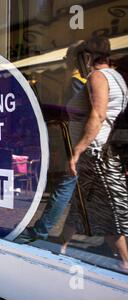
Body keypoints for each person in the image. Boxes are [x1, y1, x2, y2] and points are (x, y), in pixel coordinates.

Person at [61, 37, 128, 272]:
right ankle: (61, 246)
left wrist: (77, 151)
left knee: (106, 211)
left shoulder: (98, 77)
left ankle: (126, 262)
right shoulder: (117, 77)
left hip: (95, 152)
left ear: (88, 57)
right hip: (101, 152)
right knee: (81, 205)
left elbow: (98, 115)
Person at [20, 41, 86, 241]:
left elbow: (74, 113)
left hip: (76, 142)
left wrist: (45, 111)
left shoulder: (77, 81)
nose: (65, 61)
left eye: (67, 57)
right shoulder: (82, 79)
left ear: (74, 58)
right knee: (80, 192)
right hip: (78, 141)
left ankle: (42, 230)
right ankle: (65, 240)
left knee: (66, 186)